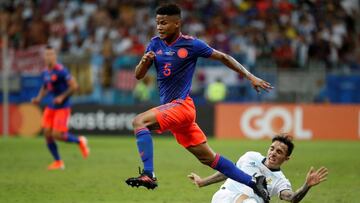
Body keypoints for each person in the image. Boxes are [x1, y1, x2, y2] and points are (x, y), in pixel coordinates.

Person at [125, 4, 273, 201]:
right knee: (208, 158)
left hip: (182, 106)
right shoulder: (154, 44)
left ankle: (149, 174)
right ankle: (254, 182)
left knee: (139, 122)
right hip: (176, 114)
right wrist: (143, 62)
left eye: (164, 23)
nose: (159, 27)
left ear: (177, 23)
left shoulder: (191, 45)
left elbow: (224, 57)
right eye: (157, 23)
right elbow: (138, 76)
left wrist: (250, 76)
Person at [188, 135, 328, 203]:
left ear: (286, 159)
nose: (273, 153)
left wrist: (307, 186)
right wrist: (202, 182)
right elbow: (228, 172)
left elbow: (292, 198)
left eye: (279, 152)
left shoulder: (280, 181)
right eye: (272, 148)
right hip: (224, 197)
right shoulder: (250, 156)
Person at [31, 45, 90, 170]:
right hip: (52, 106)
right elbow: (45, 86)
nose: (49, 57)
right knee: (47, 133)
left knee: (57, 134)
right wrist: (38, 98)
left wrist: (62, 97)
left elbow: (74, 86)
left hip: (63, 106)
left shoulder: (62, 70)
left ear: (55, 56)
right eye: (47, 54)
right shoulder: (46, 71)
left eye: (51, 54)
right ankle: (58, 162)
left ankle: (79, 141)